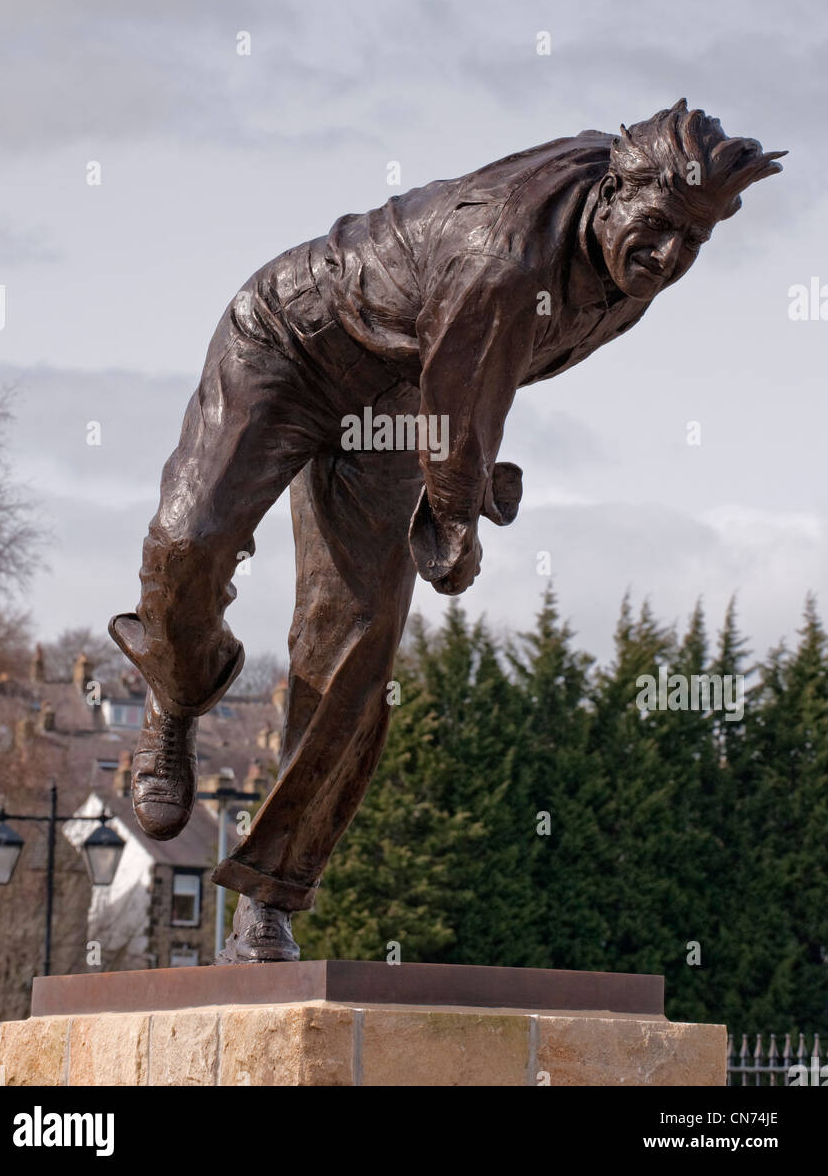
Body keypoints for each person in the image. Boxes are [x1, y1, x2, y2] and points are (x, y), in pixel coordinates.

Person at [109, 98, 785, 962]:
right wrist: (456, 513)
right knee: (187, 542)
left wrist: (454, 483)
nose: (668, 258)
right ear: (613, 190)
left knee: (356, 649)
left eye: (694, 244)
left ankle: (269, 901)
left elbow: (480, 376)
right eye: (657, 230)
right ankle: (175, 690)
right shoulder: (504, 255)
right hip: (287, 345)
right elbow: (467, 388)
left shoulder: (628, 263)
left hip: (397, 394)